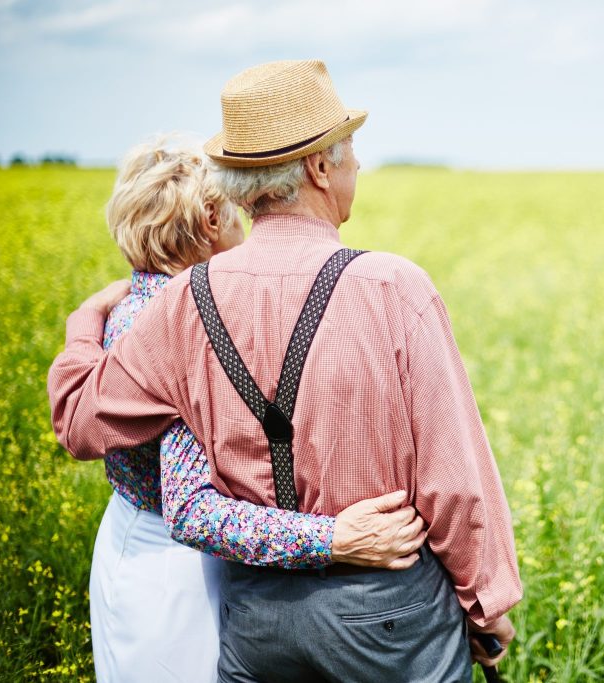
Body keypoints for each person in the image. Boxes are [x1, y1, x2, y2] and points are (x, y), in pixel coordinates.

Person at [48, 59, 522, 682]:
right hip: (387, 618)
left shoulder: (186, 299)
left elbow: (80, 424)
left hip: (255, 622)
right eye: (350, 155)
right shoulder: (393, 287)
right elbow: (454, 478)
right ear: (319, 167)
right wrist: (486, 607)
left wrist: (86, 320)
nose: (357, 168)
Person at [82, 136, 428, 682]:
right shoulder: (184, 321)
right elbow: (192, 511)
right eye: (238, 213)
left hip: (131, 545)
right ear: (210, 220)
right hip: (179, 582)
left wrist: (81, 322)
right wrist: (336, 538)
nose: (249, 223)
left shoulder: (128, 308)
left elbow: (74, 410)